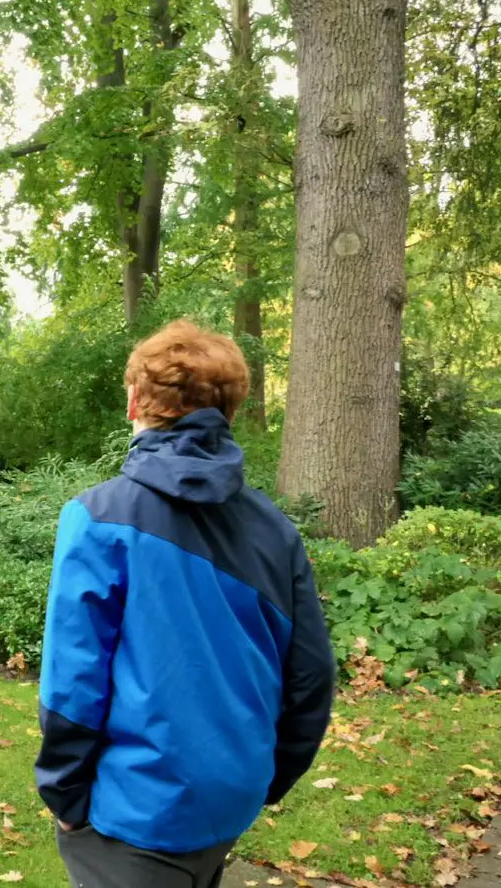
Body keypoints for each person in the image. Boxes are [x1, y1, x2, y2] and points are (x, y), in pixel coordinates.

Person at [35, 320, 336, 888]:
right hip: (230, 799)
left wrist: (64, 794)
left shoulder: (100, 518)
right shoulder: (273, 529)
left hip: (134, 814)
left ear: (134, 401)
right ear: (232, 411)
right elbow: (312, 676)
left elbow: (73, 681)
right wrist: (267, 777)